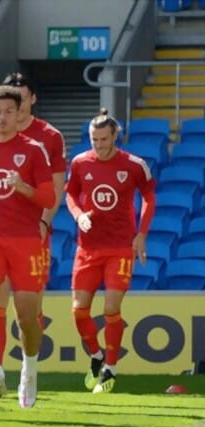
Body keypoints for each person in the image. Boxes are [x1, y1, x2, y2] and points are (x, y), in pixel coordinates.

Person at [0, 72, 67, 393]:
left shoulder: (36, 147)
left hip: (26, 240)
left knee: (26, 314)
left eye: (9, 111)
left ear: (21, 110)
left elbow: (50, 197)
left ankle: (29, 366)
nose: (3, 117)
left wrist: (23, 188)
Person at [66, 109, 155, 393]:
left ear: (115, 136)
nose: (99, 145)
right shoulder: (80, 162)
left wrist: (141, 234)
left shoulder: (134, 165)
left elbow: (150, 198)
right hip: (87, 248)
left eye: (104, 139)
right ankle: (96, 355)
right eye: (94, 139)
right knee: (79, 312)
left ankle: (111, 369)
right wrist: (79, 214)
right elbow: (70, 194)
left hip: (119, 248)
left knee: (110, 308)